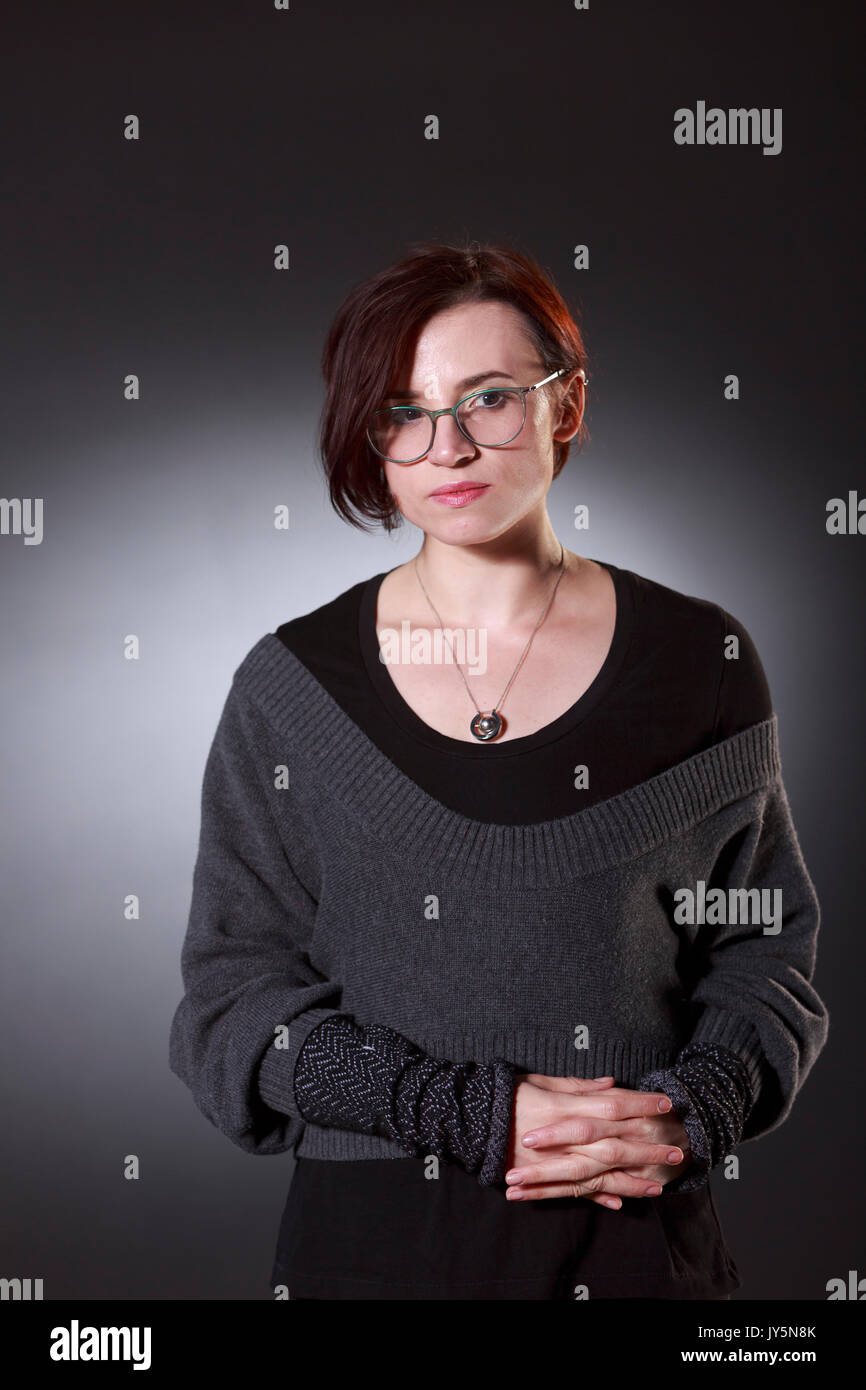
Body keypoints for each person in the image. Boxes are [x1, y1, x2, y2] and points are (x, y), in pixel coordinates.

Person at [169, 240, 829, 1301]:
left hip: (634, 1248)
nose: (448, 445)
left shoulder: (698, 661)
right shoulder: (293, 685)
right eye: (403, 409)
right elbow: (231, 1004)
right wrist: (465, 1112)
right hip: (372, 1254)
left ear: (563, 405)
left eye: (488, 398)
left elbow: (762, 953)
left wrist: (692, 1106)